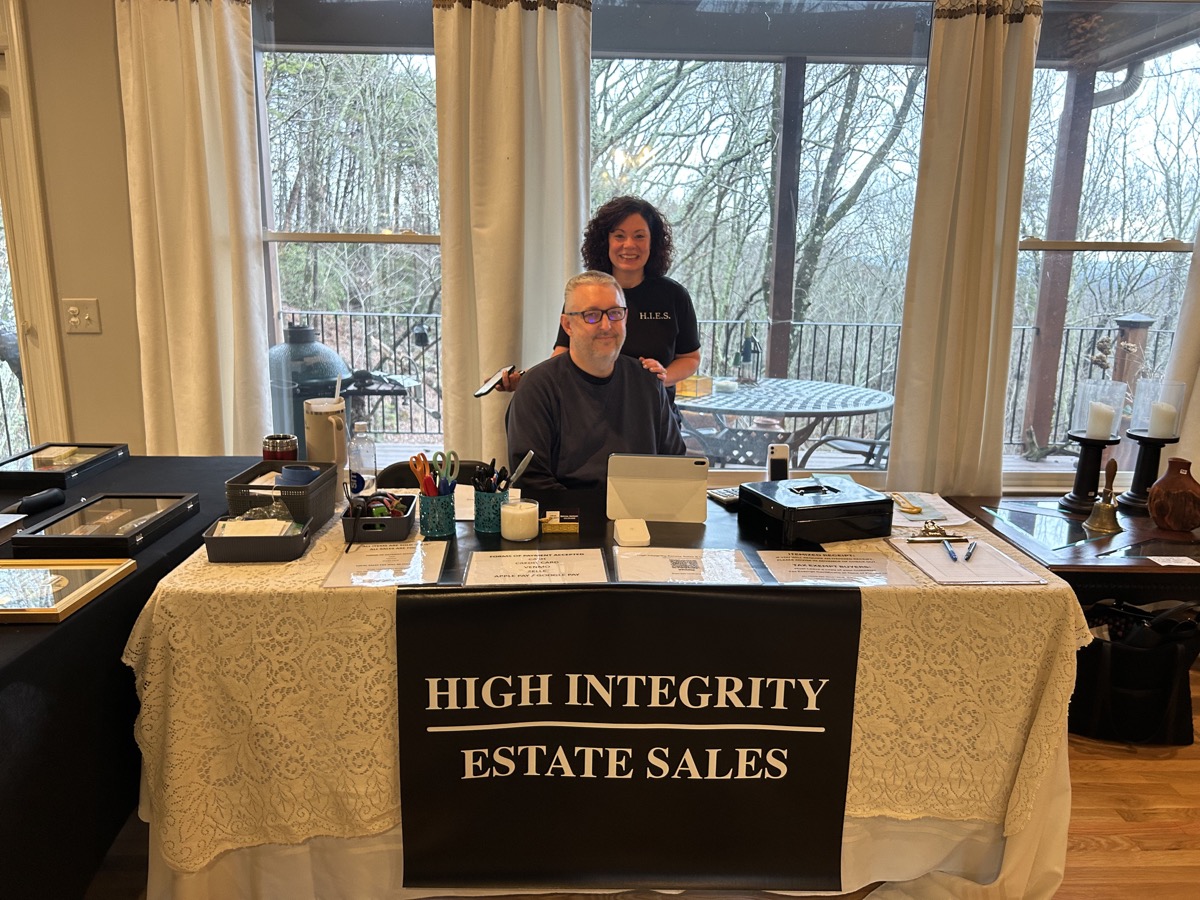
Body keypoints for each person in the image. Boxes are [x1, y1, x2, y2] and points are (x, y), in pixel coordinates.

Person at [500, 196, 702, 401]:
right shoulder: (585, 293)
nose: (629, 245)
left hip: (654, 412)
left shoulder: (674, 296)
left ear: (653, 241)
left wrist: (663, 377)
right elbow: (563, 354)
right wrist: (529, 379)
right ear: (605, 241)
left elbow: (690, 358)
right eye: (619, 236)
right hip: (591, 410)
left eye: (640, 236)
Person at [506, 271, 686, 491]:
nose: (606, 325)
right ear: (568, 325)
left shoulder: (648, 383)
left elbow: (676, 466)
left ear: (625, 318)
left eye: (615, 313)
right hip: (566, 519)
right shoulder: (537, 387)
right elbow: (532, 481)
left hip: (640, 517)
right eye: (591, 315)